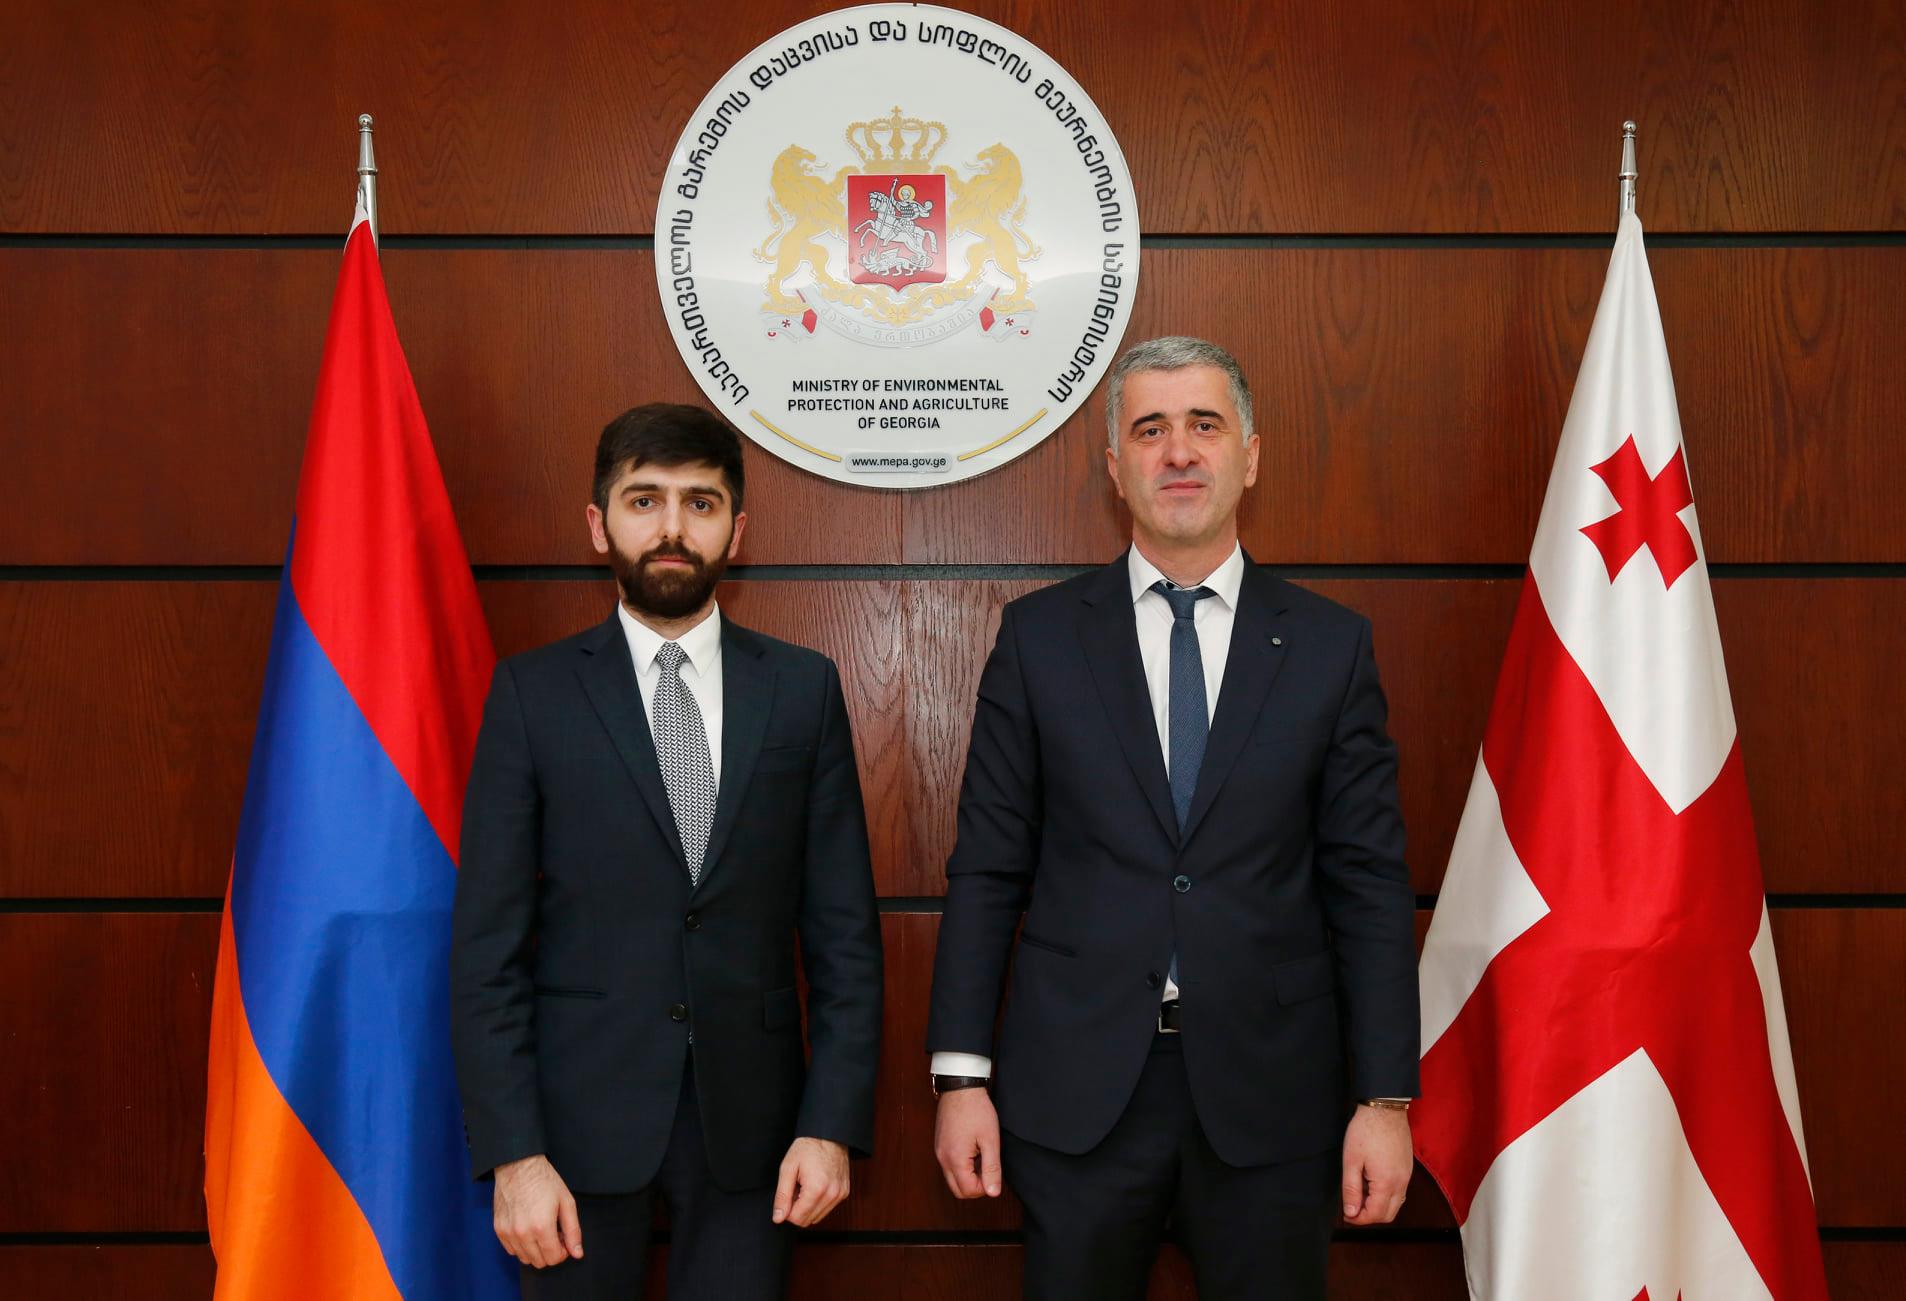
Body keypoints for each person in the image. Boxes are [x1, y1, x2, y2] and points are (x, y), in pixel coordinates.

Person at [927, 337, 1419, 1299]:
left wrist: (1385, 1096)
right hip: (1078, 1093)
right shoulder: (1038, 638)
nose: (1180, 451)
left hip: (1274, 1096)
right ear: (1116, 468)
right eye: (1150, 430)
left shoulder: (1330, 646)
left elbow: (1367, 883)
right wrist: (960, 1077)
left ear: (1251, 456)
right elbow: (988, 868)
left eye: (1205, 425)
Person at [451, 404, 883, 1300]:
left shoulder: (803, 689)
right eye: (644, 500)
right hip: (571, 1136)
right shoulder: (533, 694)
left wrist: (830, 1124)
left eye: (701, 501)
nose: (673, 527)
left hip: (757, 1137)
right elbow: (487, 947)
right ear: (598, 524)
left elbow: (845, 936)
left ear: (737, 530)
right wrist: (514, 1154)